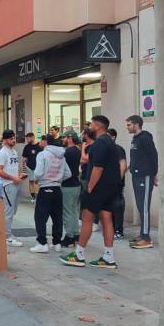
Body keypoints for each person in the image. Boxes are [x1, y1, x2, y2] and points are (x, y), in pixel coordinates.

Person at [59, 115, 121, 269]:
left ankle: (79, 254)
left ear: (98, 126)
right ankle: (108, 257)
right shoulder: (111, 143)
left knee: (87, 217)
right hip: (111, 187)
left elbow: (98, 168)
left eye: (92, 124)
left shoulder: (100, 143)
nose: (89, 127)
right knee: (107, 219)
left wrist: (90, 188)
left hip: (98, 187)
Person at [30, 134, 71, 253]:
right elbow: (68, 173)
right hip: (57, 189)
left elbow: (37, 173)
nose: (39, 142)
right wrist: (57, 179)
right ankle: (56, 242)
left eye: (41, 140)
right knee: (57, 217)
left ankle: (42, 243)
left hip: (45, 188)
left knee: (40, 217)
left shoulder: (42, 154)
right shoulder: (61, 155)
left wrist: (42, 179)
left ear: (45, 142)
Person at [126, 115, 158, 249]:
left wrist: (154, 174)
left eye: (129, 124)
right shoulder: (136, 138)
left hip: (145, 176)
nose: (127, 127)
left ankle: (146, 238)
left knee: (144, 207)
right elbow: (137, 156)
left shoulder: (145, 138)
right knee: (140, 206)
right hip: (136, 176)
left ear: (136, 124)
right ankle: (142, 233)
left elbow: (153, 156)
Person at [0, 129, 27, 247]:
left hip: (16, 183)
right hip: (7, 185)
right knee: (8, 211)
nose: (13, 140)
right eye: (11, 138)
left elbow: (14, 166)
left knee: (13, 210)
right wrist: (12, 178)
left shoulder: (13, 151)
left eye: (14, 138)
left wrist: (19, 176)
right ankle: (6, 236)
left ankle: (7, 232)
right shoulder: (2, 153)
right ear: (4, 140)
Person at [61, 130, 82, 248]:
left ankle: (69, 237)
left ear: (70, 138)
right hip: (76, 184)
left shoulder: (66, 153)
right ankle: (75, 234)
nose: (62, 139)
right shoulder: (78, 151)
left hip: (67, 185)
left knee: (67, 211)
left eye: (64, 137)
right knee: (74, 210)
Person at [108, 128, 127, 240]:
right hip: (107, 184)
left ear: (113, 137)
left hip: (116, 184)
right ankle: (112, 229)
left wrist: (117, 181)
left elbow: (123, 167)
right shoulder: (106, 149)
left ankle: (119, 230)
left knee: (117, 207)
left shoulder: (118, 149)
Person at [21, 132, 42, 203]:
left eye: (28, 138)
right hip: (29, 167)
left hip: (38, 167)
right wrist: (24, 168)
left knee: (38, 182)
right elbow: (24, 158)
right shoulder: (26, 147)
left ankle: (39, 196)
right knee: (31, 181)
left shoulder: (39, 146)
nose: (27, 140)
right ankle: (33, 197)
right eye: (26, 139)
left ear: (33, 137)